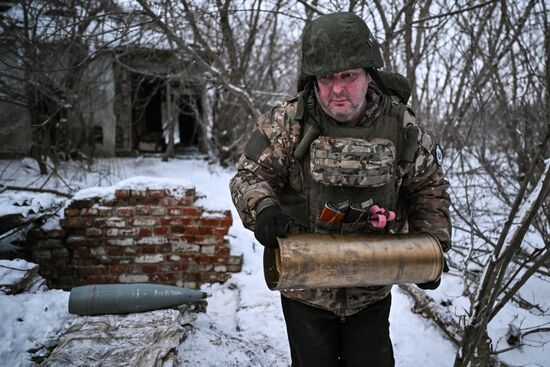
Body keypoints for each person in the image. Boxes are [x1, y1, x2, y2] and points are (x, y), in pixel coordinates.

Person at [229, 12, 451, 367]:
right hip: (305, 291)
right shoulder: (291, 122)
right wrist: (264, 209)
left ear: (368, 74)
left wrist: (431, 251)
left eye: (348, 76)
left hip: (372, 291)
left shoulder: (401, 126)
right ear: (313, 79)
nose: (336, 89)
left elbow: (429, 188)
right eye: (326, 78)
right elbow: (249, 177)